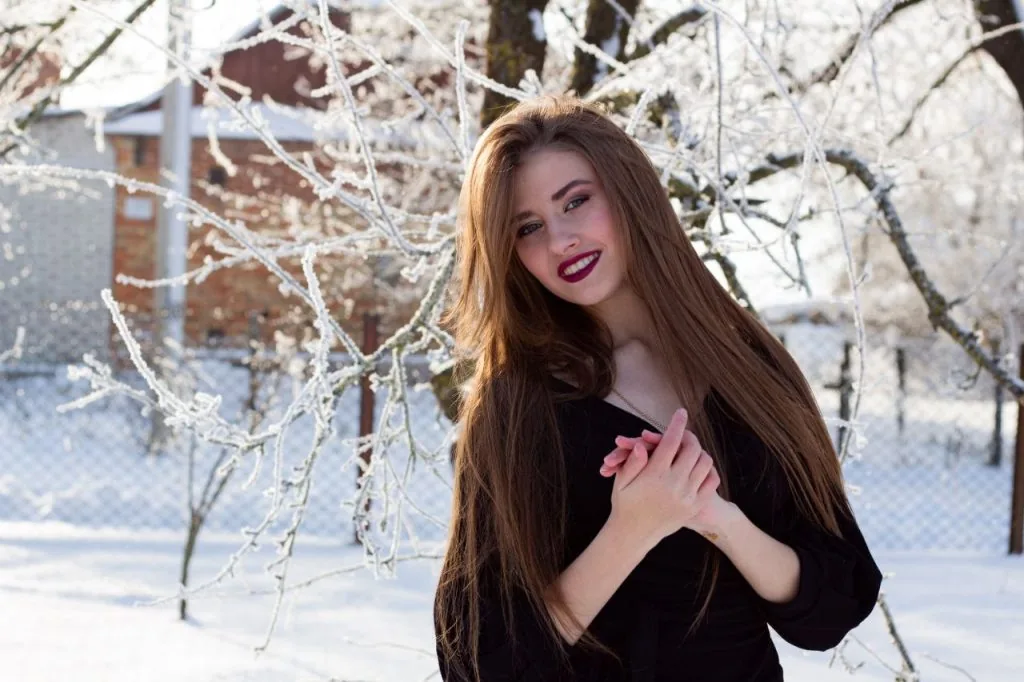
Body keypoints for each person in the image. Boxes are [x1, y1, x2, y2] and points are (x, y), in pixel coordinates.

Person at [433, 95, 882, 682]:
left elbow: (834, 606)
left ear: (629, 193)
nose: (560, 239)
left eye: (576, 201)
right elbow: (477, 661)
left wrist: (716, 517)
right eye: (528, 227)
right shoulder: (517, 406)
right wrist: (633, 528)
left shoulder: (747, 367)